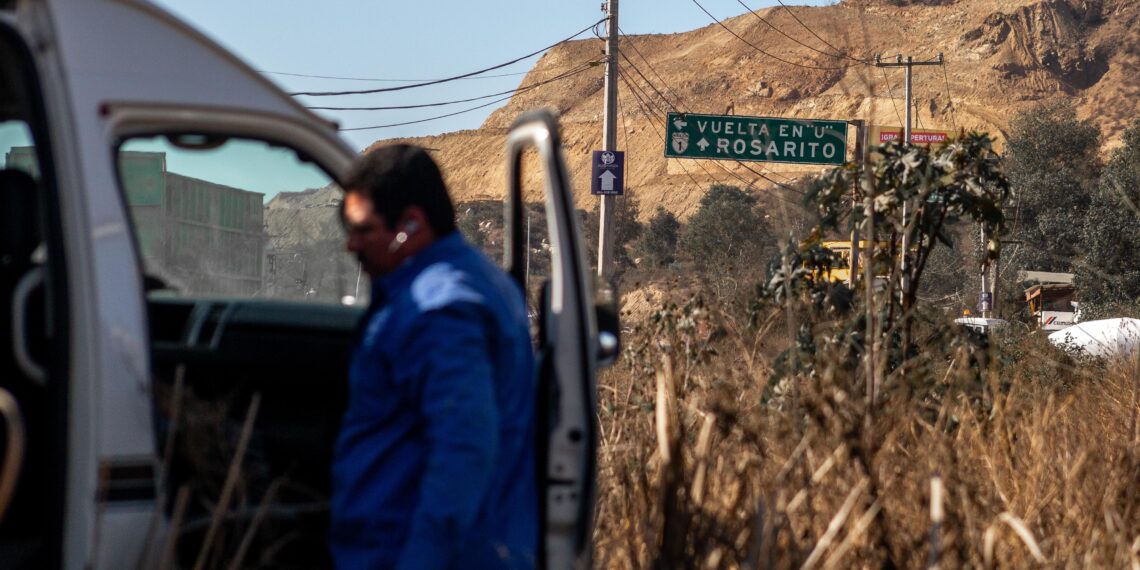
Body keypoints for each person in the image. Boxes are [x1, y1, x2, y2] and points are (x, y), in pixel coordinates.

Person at [330, 144, 537, 569]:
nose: (350, 245)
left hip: (411, 550)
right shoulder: (472, 279)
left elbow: (463, 450)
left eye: (363, 230)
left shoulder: (439, 311)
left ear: (411, 224)